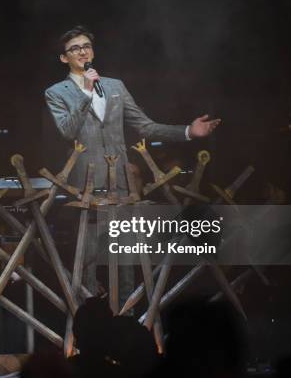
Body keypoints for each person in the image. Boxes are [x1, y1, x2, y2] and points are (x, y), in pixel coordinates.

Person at [44, 25, 220, 303]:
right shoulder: (57, 92)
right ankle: (90, 333)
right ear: (64, 58)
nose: (82, 51)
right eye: (75, 48)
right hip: (86, 189)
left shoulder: (115, 86)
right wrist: (87, 94)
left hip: (123, 186)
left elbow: (145, 126)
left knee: (124, 261)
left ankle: (125, 326)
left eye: (86, 46)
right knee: (88, 262)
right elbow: (67, 130)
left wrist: (188, 131)